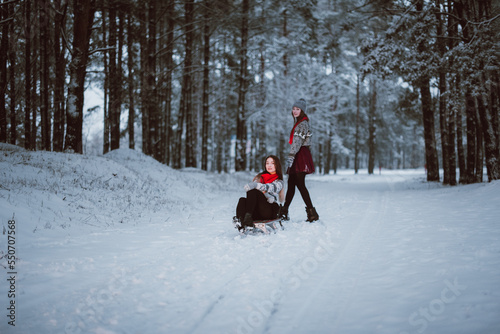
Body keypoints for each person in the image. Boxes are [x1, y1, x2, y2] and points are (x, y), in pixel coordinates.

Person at [280, 98, 319, 222]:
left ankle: (312, 212)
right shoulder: (300, 122)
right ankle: (284, 211)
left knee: (300, 185)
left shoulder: (302, 123)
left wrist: (291, 155)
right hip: (300, 153)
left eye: (298, 109)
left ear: (302, 111)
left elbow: (297, 142)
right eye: (294, 109)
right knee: (291, 184)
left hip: (299, 154)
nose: (295, 111)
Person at [235, 155, 285, 231]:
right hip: (257, 210)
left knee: (254, 190)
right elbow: (253, 192)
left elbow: (270, 187)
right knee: (242, 200)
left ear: (277, 165)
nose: (269, 165)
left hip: (269, 210)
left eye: (272, 163)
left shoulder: (279, 181)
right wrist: (259, 188)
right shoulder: (260, 177)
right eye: (267, 163)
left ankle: (246, 219)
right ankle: (241, 221)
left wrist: (256, 186)